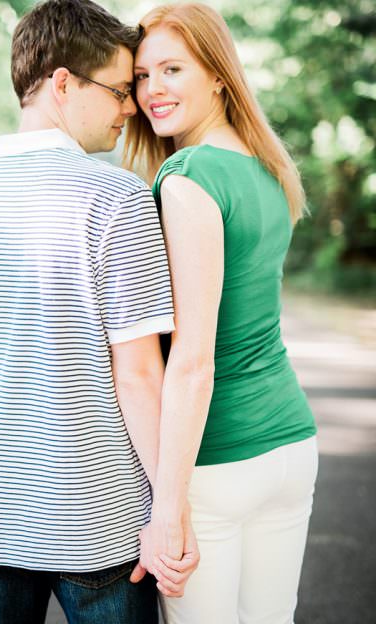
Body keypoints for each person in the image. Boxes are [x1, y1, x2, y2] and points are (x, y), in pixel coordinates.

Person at [0, 1, 197, 621]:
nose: (132, 108)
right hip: (98, 524)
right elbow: (138, 376)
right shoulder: (118, 198)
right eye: (120, 90)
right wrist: (169, 512)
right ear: (64, 83)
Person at [124, 4, 318, 622]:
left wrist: (166, 508)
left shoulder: (189, 177)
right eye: (142, 76)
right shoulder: (268, 169)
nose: (153, 90)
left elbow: (192, 359)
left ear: (216, 74)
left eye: (172, 69)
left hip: (217, 460)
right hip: (290, 447)